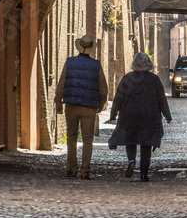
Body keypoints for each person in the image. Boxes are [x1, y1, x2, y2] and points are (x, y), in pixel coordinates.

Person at [108, 52, 171, 181]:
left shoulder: (127, 79)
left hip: (129, 115)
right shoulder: (154, 80)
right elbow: (161, 99)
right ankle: (143, 173)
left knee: (130, 140)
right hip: (150, 116)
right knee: (146, 144)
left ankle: (131, 160)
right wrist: (167, 115)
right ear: (148, 64)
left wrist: (113, 114)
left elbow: (118, 98)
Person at [55, 34, 108, 180]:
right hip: (89, 107)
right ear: (91, 49)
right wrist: (101, 103)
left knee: (71, 137)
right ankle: (85, 171)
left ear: (79, 47)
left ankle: (72, 168)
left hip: (71, 105)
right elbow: (103, 88)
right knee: (87, 139)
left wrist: (58, 101)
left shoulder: (69, 63)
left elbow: (61, 84)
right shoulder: (96, 65)